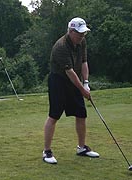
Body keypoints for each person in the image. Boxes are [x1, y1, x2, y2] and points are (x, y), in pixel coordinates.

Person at [43, 17, 99, 164]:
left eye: (83, 33)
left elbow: (84, 62)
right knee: (54, 115)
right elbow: (70, 72)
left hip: (75, 80)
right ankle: (47, 152)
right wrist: (82, 90)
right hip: (58, 81)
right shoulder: (60, 47)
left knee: (81, 113)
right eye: (79, 33)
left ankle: (82, 148)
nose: (82, 36)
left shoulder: (82, 41)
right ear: (70, 31)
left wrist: (86, 83)